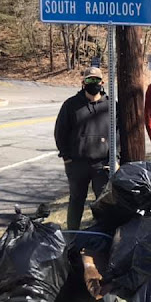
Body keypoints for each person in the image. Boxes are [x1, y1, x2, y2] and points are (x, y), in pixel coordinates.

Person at [55, 67, 112, 230]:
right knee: (76, 201)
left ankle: (102, 235)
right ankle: (72, 236)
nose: (92, 83)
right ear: (83, 83)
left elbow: (117, 133)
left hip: (102, 165)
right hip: (77, 164)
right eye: (89, 80)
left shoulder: (110, 106)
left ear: (102, 83)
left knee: (103, 202)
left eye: (96, 80)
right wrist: (66, 157)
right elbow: (60, 132)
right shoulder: (71, 105)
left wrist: (115, 157)